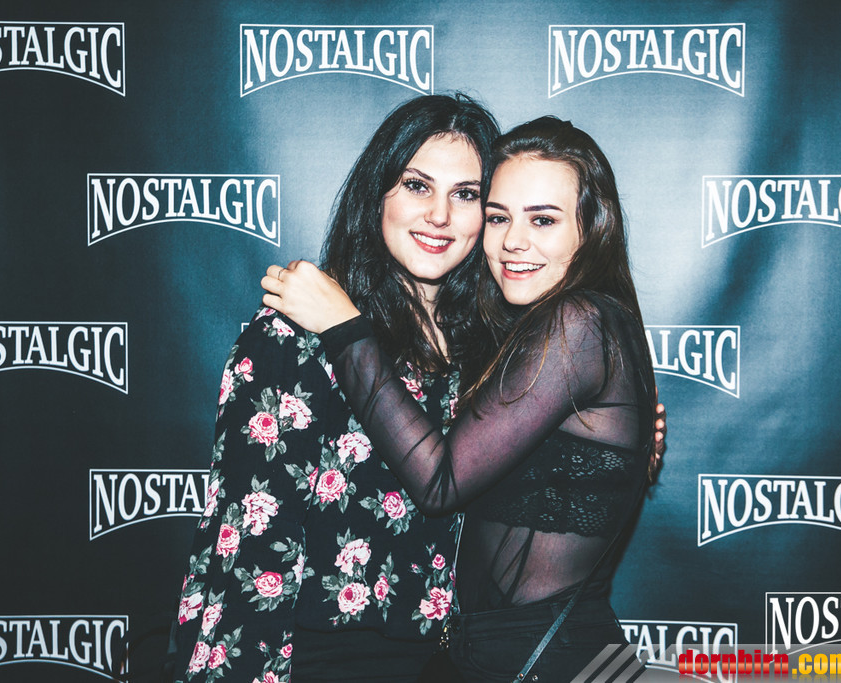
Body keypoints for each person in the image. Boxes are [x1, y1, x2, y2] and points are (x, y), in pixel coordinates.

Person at [262, 116, 661, 682]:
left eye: (543, 220)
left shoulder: (577, 322)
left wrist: (343, 327)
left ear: (591, 228)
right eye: (498, 216)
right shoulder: (526, 334)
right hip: (506, 654)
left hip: (543, 659)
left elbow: (440, 481)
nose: (513, 241)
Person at [170, 94, 502, 682]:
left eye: (466, 194)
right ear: (378, 193)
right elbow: (252, 543)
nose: (440, 215)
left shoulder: (486, 354)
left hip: (442, 664)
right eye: (417, 186)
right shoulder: (293, 335)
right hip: (308, 662)